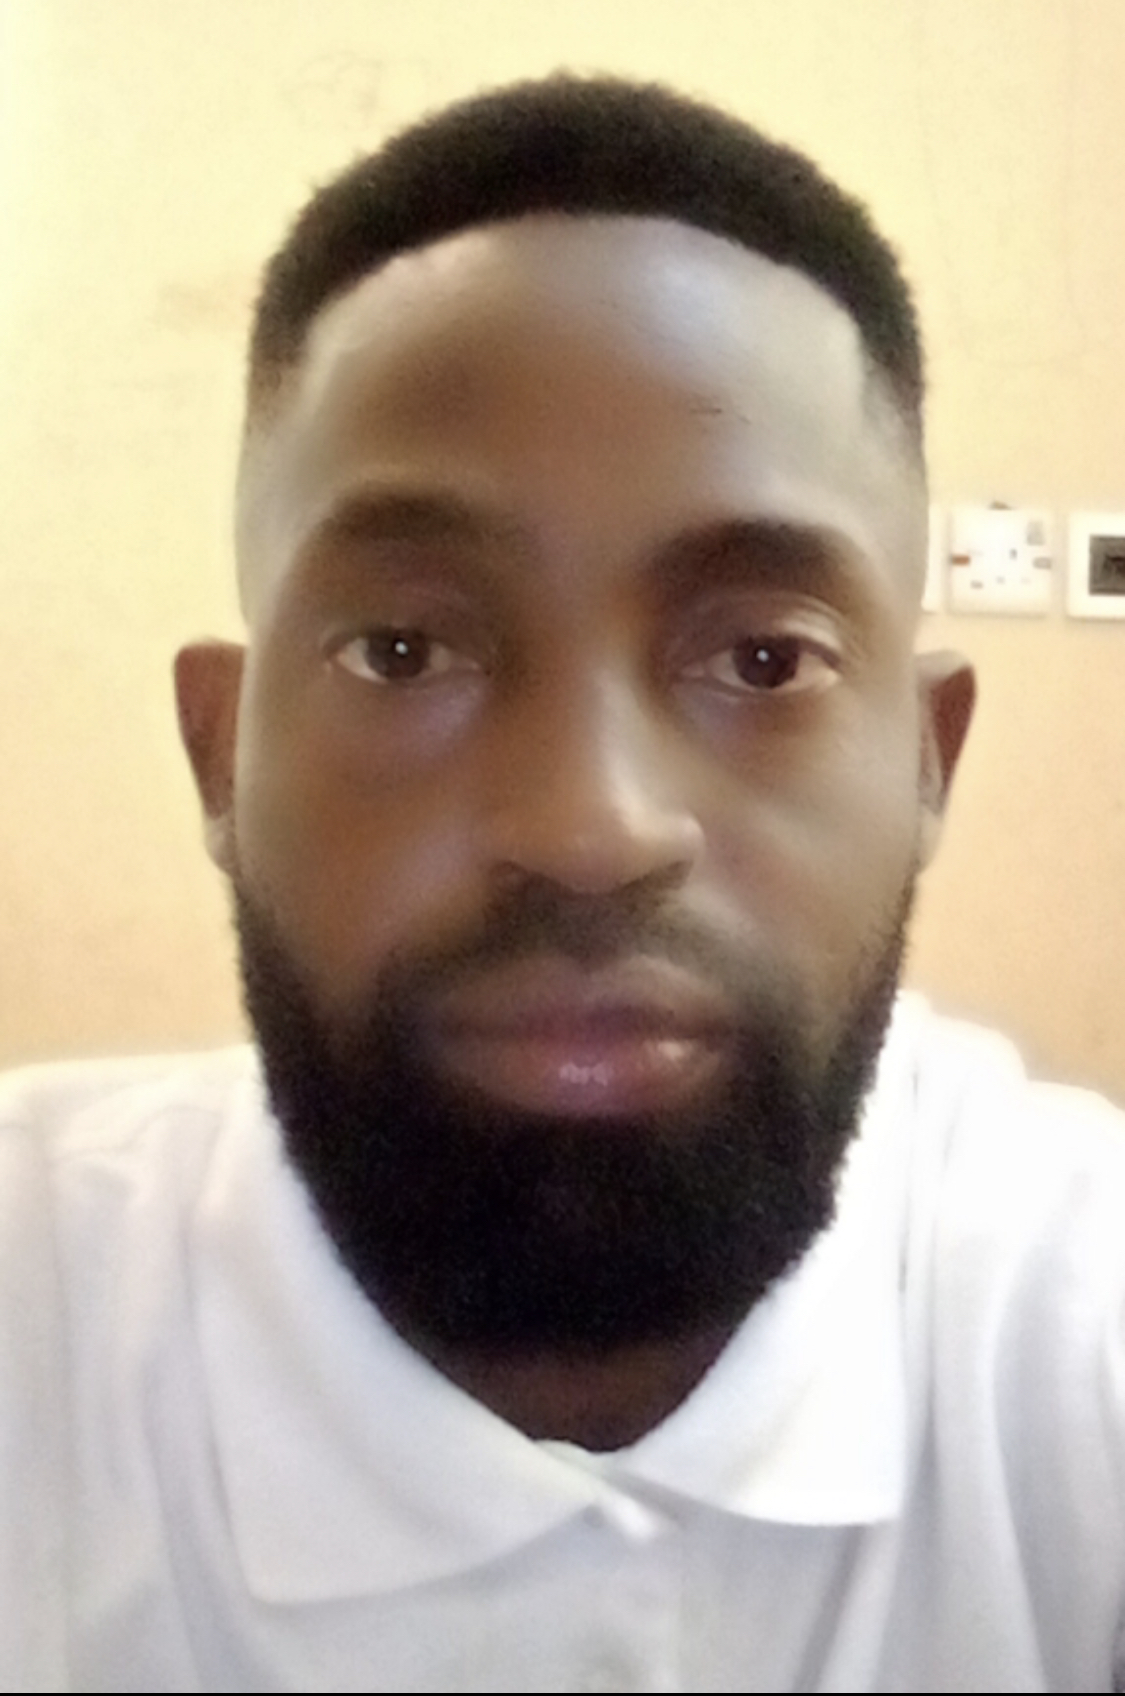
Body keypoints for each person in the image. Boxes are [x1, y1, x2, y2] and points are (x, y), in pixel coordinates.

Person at [2, 74, 1124, 1694]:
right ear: (220, 756)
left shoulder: (1075, 1326)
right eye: (404, 649)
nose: (591, 829)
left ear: (927, 762)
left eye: (762, 658)